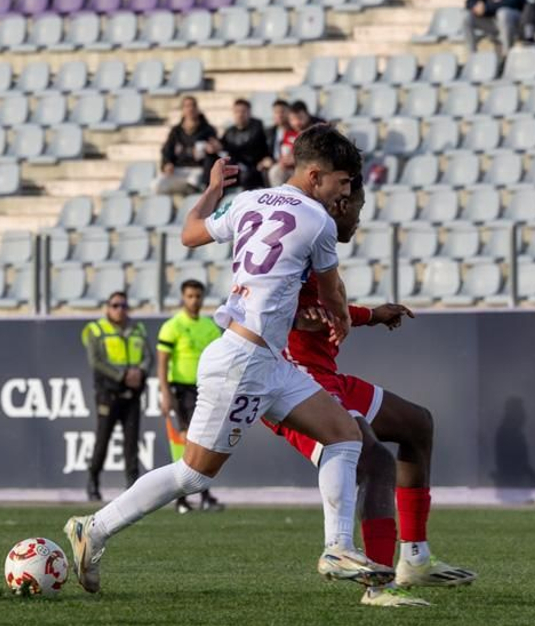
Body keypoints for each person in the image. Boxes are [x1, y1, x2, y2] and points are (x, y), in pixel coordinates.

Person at [64, 130, 379, 595]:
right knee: (193, 474)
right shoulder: (318, 221)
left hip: (266, 360)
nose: (344, 194)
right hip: (243, 361)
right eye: (342, 183)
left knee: (344, 434)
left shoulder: (248, 201)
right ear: (315, 176)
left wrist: (213, 189)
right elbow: (332, 292)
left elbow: (190, 233)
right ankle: (93, 528)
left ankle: (338, 548)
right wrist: (342, 320)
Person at [258, 171, 478, 606]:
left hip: (326, 374)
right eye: (356, 212)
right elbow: (270, 299)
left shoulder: (319, 243)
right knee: (374, 459)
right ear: (339, 205)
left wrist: (371, 315)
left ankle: (415, 558)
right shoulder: (304, 236)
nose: (358, 222)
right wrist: (301, 318)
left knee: (417, 424)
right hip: (294, 380)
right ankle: (377, 586)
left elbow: (326, 306)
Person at [155, 280, 224, 513]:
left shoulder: (210, 327)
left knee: (203, 441)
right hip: (181, 389)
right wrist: (165, 392)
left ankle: (197, 495)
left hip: (204, 389)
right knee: (189, 440)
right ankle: (186, 496)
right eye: (190, 296)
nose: (194, 300)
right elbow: (162, 362)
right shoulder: (172, 326)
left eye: (198, 296)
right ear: (183, 298)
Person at [81, 290, 150, 502]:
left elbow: (148, 356)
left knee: (132, 442)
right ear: (107, 308)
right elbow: (96, 361)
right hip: (108, 393)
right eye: (115, 305)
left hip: (132, 393)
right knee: (103, 440)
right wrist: (122, 375)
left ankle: (132, 487)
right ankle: (93, 481)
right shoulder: (96, 330)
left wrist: (140, 372)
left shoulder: (137, 329)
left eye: (123, 306)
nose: (120, 310)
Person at [155, 96, 220, 196]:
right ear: (182, 110)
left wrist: (213, 148)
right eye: (187, 106)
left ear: (197, 108)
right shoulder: (176, 131)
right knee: (158, 184)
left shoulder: (208, 130)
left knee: (193, 183)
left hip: (198, 170)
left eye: (193, 106)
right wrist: (167, 163)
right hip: (179, 169)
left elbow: (215, 148)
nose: (190, 109)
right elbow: (167, 150)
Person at [220, 98, 272, 190]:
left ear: (249, 112)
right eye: (237, 111)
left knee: (246, 176)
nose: (240, 114)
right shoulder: (229, 131)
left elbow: (254, 147)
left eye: (243, 111)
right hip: (236, 166)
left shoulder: (257, 127)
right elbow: (223, 148)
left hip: (255, 167)